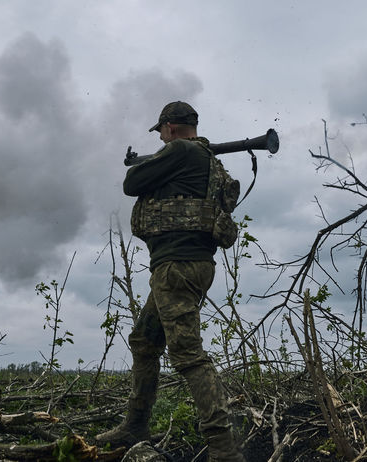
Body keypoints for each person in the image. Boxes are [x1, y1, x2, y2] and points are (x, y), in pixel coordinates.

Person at [96, 101, 244, 461]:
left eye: (161, 132)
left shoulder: (178, 150)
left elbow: (132, 183)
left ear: (169, 127)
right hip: (185, 265)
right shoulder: (205, 159)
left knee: (188, 355)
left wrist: (150, 162)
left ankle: (224, 449)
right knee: (145, 341)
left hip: (177, 265)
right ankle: (135, 424)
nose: (161, 137)